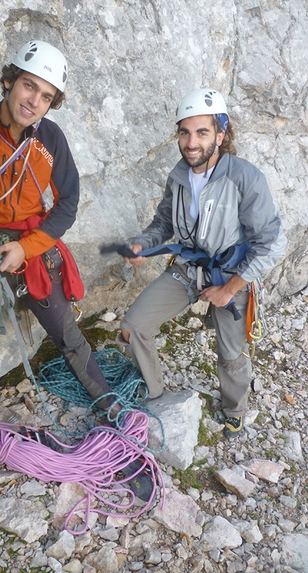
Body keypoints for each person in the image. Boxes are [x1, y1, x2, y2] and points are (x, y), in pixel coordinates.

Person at [0, 40, 118, 504]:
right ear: (9, 81)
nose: (32, 100)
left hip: (29, 246)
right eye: (27, 86)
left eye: (44, 95)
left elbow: (69, 203)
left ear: (51, 103)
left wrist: (28, 246)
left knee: (67, 333)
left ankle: (110, 406)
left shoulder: (50, 138)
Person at [119, 88, 286, 439]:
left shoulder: (243, 177)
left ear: (220, 135)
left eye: (202, 132)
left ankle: (235, 409)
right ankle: (157, 398)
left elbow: (271, 243)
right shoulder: (179, 176)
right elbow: (164, 223)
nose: (191, 142)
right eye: (185, 132)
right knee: (134, 326)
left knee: (230, 354)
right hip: (188, 268)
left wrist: (229, 289)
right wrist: (142, 244)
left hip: (231, 274)